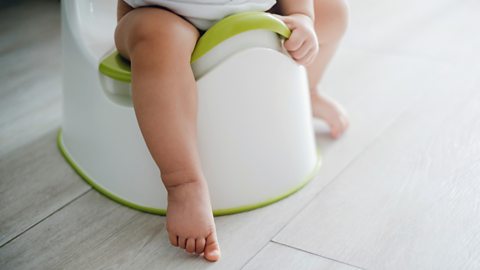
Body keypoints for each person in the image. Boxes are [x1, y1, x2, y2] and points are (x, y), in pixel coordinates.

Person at [114, 0, 349, 262]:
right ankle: (183, 182)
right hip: (162, 14)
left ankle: (309, 90)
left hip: (257, 8)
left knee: (333, 12)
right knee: (158, 38)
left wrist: (302, 15)